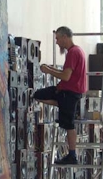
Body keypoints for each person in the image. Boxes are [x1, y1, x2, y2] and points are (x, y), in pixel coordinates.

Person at [32, 27, 87, 165]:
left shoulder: (73, 53)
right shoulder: (77, 51)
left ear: (64, 37)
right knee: (38, 95)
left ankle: (72, 155)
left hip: (68, 92)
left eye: (57, 38)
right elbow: (66, 73)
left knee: (69, 125)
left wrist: (48, 71)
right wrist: (49, 69)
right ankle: (60, 103)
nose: (56, 42)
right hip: (68, 92)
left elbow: (66, 76)